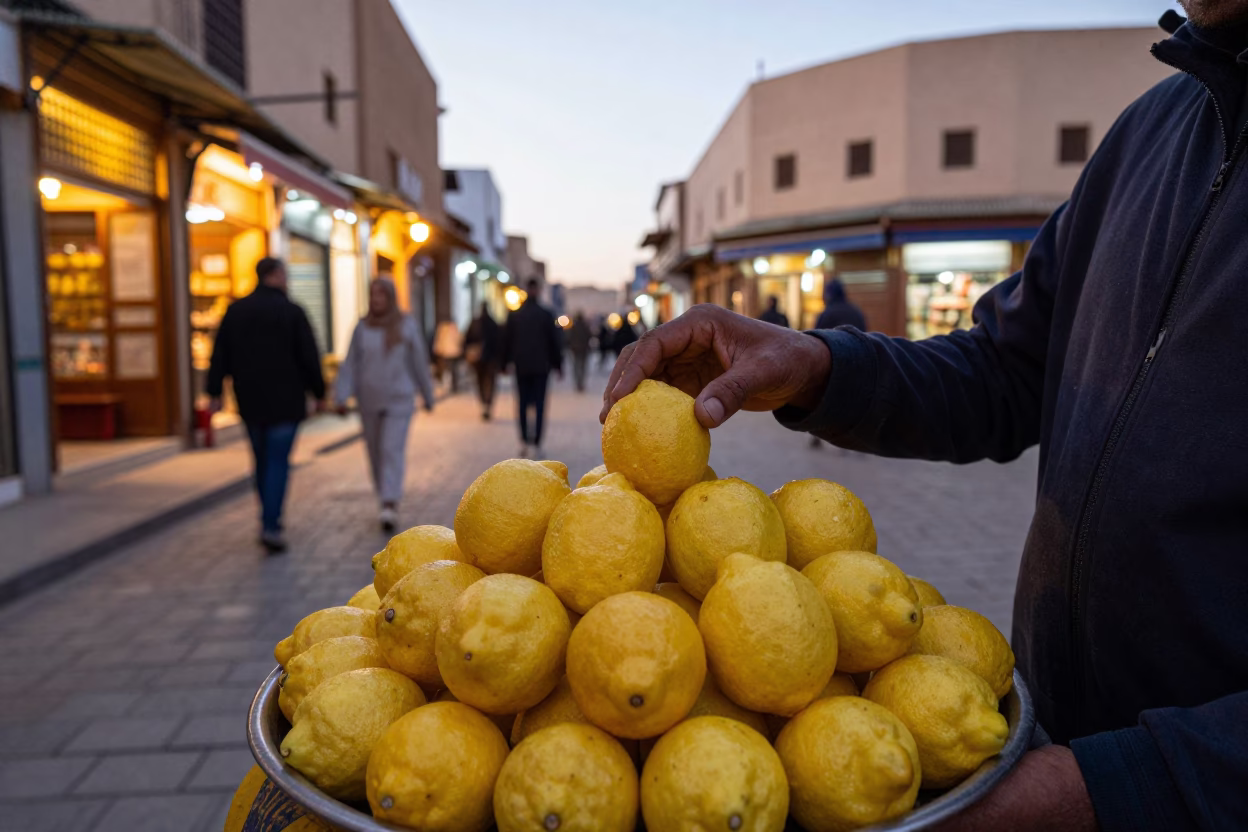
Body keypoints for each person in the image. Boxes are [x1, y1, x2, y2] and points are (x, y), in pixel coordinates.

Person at [602, 8, 1248, 829]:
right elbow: (1007, 370)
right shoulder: (1155, 133)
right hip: (1030, 737)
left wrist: (1118, 787)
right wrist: (820, 364)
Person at [206, 257, 324, 553]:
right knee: (277, 462)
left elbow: (219, 354)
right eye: (285, 274)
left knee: (260, 460)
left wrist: (214, 391)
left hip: (250, 400)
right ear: (276, 275)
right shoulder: (292, 312)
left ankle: (268, 517)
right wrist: (320, 392)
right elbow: (309, 356)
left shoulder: (236, 311)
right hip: (286, 402)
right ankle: (271, 522)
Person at [334, 277, 435, 533]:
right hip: (369, 400)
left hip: (399, 399)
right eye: (373, 295)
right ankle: (383, 496)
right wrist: (341, 396)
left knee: (391, 449)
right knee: (375, 452)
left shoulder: (406, 325)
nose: (376, 300)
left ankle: (390, 502)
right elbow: (351, 364)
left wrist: (427, 394)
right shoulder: (362, 328)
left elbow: (418, 361)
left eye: (381, 295)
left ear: (390, 298)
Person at [501, 279, 563, 457]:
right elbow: (554, 342)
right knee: (539, 404)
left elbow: (507, 342)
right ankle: (535, 441)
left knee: (522, 403)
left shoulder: (516, 315)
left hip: (522, 366)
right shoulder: (546, 314)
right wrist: (558, 365)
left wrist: (504, 363)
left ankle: (524, 440)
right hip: (541, 367)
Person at [463, 301, 501, 420]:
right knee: (488, 382)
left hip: (479, 360)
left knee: (481, 382)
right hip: (489, 359)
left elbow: (466, 340)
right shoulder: (493, 323)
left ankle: (485, 403)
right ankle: (487, 404)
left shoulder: (475, 323)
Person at [566, 311, 593, 392]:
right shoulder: (585, 326)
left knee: (576, 366)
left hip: (575, 349)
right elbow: (590, 335)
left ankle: (577, 382)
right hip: (584, 349)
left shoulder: (573, 327)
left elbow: (569, 337)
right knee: (582, 366)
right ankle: (581, 382)